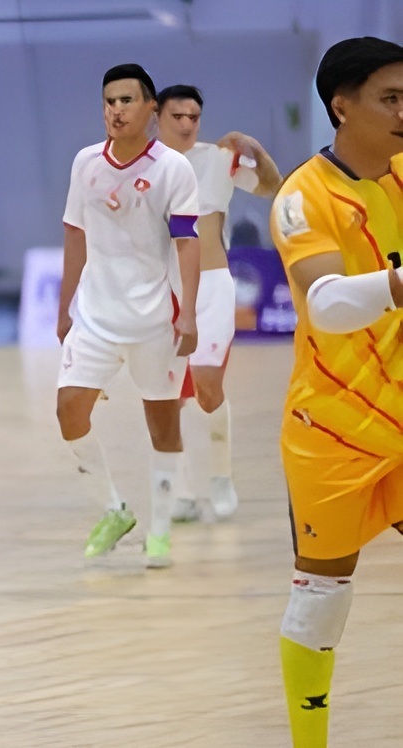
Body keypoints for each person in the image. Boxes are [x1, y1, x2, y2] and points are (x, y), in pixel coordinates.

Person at [269, 36, 403, 748]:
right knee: (322, 597)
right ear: (341, 106)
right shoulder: (302, 197)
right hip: (333, 426)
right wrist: (398, 284)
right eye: (391, 98)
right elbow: (325, 304)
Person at [56, 64, 201, 570]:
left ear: (150, 110)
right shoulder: (85, 163)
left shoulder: (173, 169)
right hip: (95, 317)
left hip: (155, 320)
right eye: (108, 102)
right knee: (69, 411)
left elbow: (186, 243)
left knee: (162, 426)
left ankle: (159, 531)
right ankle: (115, 510)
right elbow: (75, 234)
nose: (115, 110)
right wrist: (64, 307)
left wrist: (189, 316)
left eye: (125, 101)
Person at [154, 84, 282, 522]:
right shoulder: (141, 166)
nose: (187, 125)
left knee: (207, 389)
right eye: (178, 117)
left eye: (194, 117)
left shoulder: (217, 159)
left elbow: (272, 187)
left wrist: (255, 149)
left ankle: (221, 476)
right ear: (158, 118)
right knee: (169, 394)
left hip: (210, 286)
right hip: (161, 290)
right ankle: (184, 490)